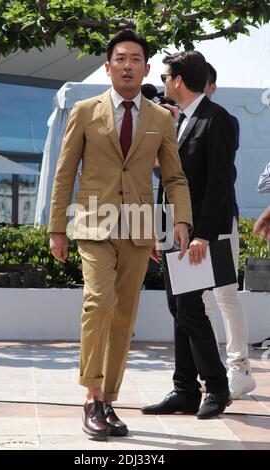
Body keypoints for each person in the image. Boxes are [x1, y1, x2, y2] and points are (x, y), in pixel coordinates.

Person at [48, 29, 192, 440]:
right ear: (109, 66)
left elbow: (175, 177)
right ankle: (91, 398)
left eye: (136, 60)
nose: (128, 65)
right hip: (94, 222)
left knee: (125, 316)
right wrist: (57, 227)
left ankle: (108, 398)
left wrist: (181, 220)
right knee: (99, 302)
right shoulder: (84, 111)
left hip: (138, 228)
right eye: (120, 58)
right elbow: (63, 173)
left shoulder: (160, 117)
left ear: (146, 68)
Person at [141, 51, 235, 419]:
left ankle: (217, 387)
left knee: (191, 309)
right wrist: (158, 231)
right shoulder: (175, 121)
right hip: (172, 230)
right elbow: (168, 181)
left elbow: (219, 183)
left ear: (179, 80)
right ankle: (184, 389)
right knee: (178, 308)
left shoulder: (218, 120)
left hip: (199, 234)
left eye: (165, 77)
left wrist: (204, 236)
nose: (163, 83)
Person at [201, 63, 256, 399]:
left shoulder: (224, 120)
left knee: (224, 294)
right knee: (199, 300)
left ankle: (240, 367)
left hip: (220, 223)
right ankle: (210, 369)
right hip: (185, 226)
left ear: (211, 87)